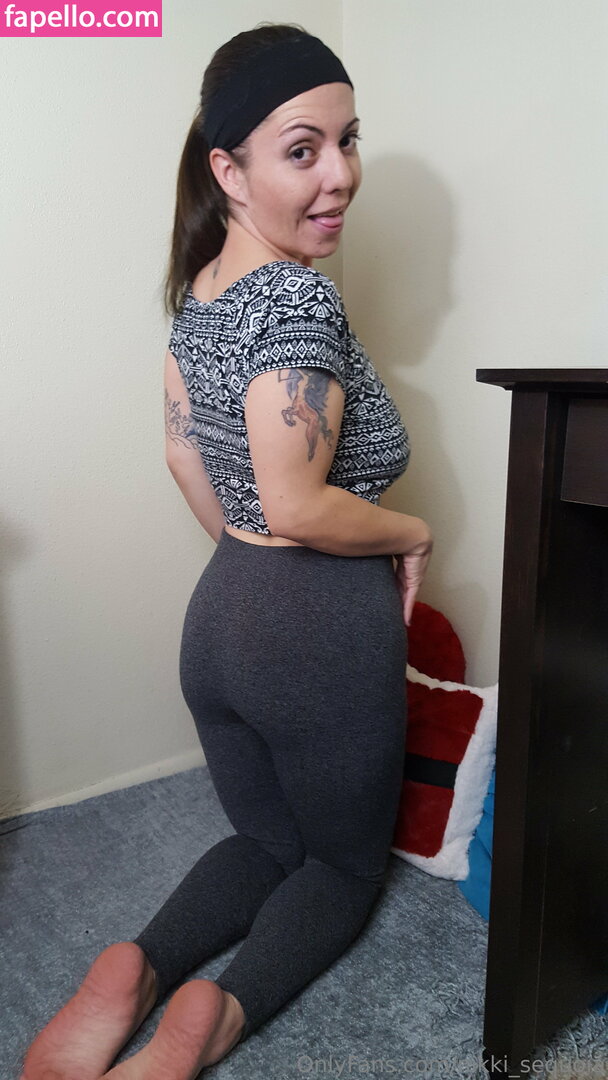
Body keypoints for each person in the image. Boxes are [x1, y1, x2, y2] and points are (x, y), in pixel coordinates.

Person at [20, 22, 433, 1080]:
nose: (340, 175)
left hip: (220, 620)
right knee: (341, 867)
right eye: (302, 149)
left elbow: (186, 461)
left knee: (263, 842)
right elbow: (297, 504)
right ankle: (217, 1014)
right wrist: (410, 532)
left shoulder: (198, 293)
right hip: (318, 632)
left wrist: (251, 581)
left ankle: (138, 968)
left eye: (347, 140)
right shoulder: (297, 297)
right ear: (229, 169)